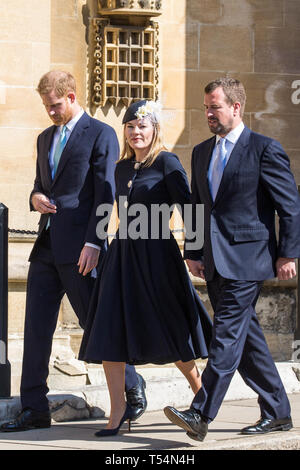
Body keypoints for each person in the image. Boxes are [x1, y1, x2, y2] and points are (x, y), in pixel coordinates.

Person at [0, 71, 146, 433]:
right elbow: (39, 184)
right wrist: (34, 198)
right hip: (46, 247)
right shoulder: (44, 138)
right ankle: (34, 408)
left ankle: (133, 386)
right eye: (46, 106)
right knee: (35, 329)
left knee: (96, 325)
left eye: (55, 105)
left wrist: (95, 242)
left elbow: (105, 192)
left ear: (72, 96)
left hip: (83, 248)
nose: (50, 112)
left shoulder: (101, 134)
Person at [164, 77, 300, 442]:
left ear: (236, 107)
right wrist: (192, 252)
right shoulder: (202, 151)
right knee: (247, 340)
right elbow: (195, 206)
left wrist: (288, 253)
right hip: (213, 260)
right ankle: (278, 412)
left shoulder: (264, 149)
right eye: (206, 107)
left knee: (224, 335)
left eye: (215, 107)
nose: (209, 113)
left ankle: (200, 412)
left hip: (248, 259)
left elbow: (289, 207)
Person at [79, 99, 212, 437]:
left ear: (154, 129)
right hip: (121, 258)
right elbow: (107, 208)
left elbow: (189, 209)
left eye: (142, 126)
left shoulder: (167, 162)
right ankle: (118, 411)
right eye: (130, 126)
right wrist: (95, 242)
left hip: (158, 258)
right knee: (110, 329)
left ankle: (202, 397)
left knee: (172, 327)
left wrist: (193, 252)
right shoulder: (121, 167)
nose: (136, 131)